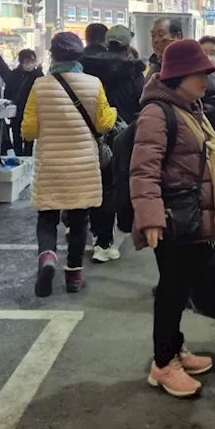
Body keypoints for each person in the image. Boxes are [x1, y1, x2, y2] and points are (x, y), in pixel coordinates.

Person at [130, 39, 215, 398]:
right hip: (172, 218)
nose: (206, 78)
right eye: (198, 73)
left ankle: (175, 349)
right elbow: (144, 171)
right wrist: (151, 218)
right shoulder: (158, 113)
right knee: (171, 290)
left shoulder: (190, 106)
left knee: (181, 285)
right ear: (176, 76)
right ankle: (162, 364)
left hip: (188, 216)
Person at [21, 32, 116, 296]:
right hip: (83, 164)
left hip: (50, 162)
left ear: (52, 55)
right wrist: (114, 113)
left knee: (47, 217)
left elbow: (28, 131)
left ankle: (48, 258)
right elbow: (103, 123)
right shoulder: (94, 84)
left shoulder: (40, 86)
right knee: (79, 220)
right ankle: (74, 276)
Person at [82, 25, 148, 262]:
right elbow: (142, 104)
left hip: (91, 134)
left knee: (96, 185)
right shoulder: (133, 72)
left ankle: (95, 237)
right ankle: (108, 241)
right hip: (124, 137)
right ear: (127, 45)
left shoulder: (87, 68)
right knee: (115, 188)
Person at [4, 49, 43, 157]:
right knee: (16, 135)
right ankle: (18, 157)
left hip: (31, 111)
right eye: (27, 60)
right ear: (21, 61)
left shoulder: (38, 75)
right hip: (16, 111)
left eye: (32, 60)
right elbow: (8, 91)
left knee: (29, 136)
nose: (30, 63)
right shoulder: (14, 74)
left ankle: (27, 158)